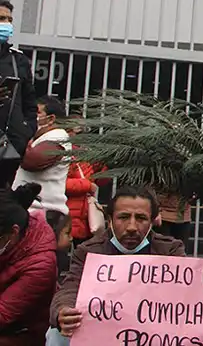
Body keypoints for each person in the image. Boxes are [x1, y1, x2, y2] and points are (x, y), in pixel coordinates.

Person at [50, 186, 185, 339]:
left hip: (154, 333)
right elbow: (71, 286)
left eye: (141, 218)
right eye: (123, 217)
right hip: (102, 333)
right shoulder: (88, 251)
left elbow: (184, 295)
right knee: (56, 335)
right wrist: (64, 310)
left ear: (152, 221)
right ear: (110, 220)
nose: (132, 227)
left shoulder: (170, 251)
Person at [0, 183, 57, 346]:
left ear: (13, 232)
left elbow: (3, 315)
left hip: (19, 336)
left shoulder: (41, 265)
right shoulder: (10, 239)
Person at [12, 97, 71, 215]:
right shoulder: (38, 138)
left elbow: (31, 161)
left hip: (45, 212)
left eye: (37, 112)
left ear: (51, 119)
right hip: (30, 210)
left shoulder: (58, 136)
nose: (31, 116)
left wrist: (19, 134)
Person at [0, 0, 36, 189]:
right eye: (1, 18)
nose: (6, 23)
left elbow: (30, 102)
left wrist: (27, 130)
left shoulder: (19, 60)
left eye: (9, 19)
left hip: (10, 149)